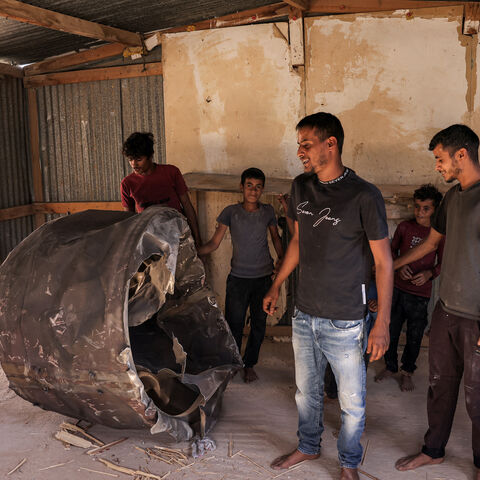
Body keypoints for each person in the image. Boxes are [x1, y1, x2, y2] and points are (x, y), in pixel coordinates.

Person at [263, 112, 393, 480]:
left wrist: (381, 322)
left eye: (307, 144)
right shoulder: (301, 187)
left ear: (330, 144)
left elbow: (384, 263)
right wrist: (276, 284)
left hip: (346, 319)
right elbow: (299, 243)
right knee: (306, 394)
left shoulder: (364, 195)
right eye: (299, 145)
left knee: (351, 403)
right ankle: (308, 446)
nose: (301, 151)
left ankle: (349, 462)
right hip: (305, 314)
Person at [393, 124, 480, 480]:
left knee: (478, 399)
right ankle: (433, 451)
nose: (437, 166)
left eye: (440, 159)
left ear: (462, 154)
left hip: (476, 317)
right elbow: (429, 245)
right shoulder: (452, 198)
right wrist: (387, 268)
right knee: (439, 385)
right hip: (446, 310)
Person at [198, 168, 283, 383]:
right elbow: (214, 243)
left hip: (264, 279)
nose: (253, 191)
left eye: (258, 187)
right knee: (233, 323)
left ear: (262, 189)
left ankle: (249, 364)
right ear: (241, 187)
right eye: (249, 186)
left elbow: (275, 239)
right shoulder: (230, 212)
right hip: (238, 279)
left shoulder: (268, 211)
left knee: (258, 324)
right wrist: (192, 251)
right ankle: (234, 362)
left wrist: (282, 261)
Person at [375, 184, 445, 392]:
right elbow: (391, 252)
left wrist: (429, 273)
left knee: (414, 335)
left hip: (420, 294)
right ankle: (390, 366)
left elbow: (442, 262)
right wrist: (398, 268)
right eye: (417, 207)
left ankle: (407, 372)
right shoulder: (405, 227)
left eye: (426, 208)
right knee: (391, 330)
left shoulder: (438, 234)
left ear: (435, 210)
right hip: (396, 289)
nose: (419, 212)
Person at [120, 132, 201, 246]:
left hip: (178, 236)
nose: (134, 164)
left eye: (138, 159)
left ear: (150, 156)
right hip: (149, 241)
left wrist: (197, 239)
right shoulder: (127, 184)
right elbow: (129, 220)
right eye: (130, 160)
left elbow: (187, 205)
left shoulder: (171, 173)